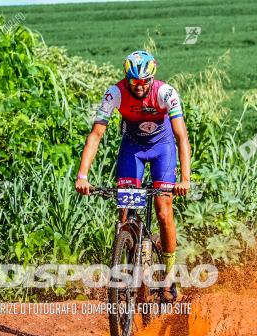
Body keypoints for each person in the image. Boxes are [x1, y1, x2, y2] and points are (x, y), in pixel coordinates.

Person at [75, 50, 191, 301]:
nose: (139, 87)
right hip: (133, 148)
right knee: (125, 211)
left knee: (163, 209)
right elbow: (95, 135)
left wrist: (185, 178)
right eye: (134, 82)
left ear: (152, 79)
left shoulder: (165, 93)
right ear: (126, 78)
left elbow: (181, 136)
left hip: (163, 148)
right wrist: (82, 176)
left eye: (143, 82)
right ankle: (127, 258)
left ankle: (169, 278)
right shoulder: (114, 93)